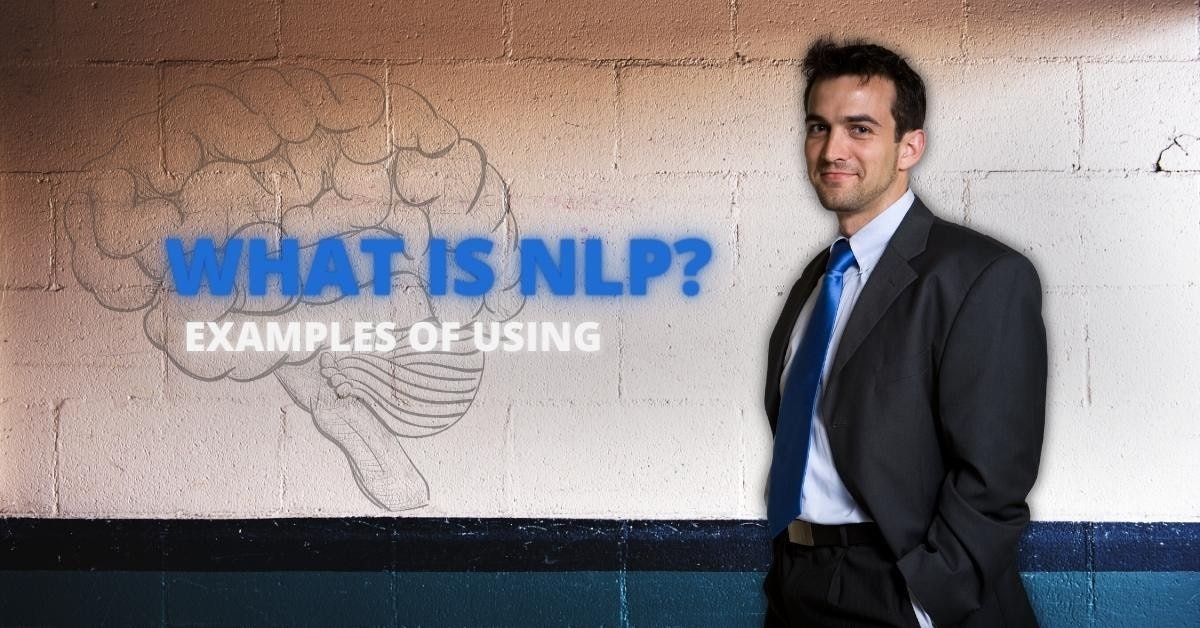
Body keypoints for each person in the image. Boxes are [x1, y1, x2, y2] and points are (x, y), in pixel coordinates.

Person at [762, 39, 1047, 627]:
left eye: (860, 128)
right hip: (799, 586)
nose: (832, 149)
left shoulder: (980, 275)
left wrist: (923, 603)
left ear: (909, 146)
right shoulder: (817, 281)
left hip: (902, 593)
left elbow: (995, 477)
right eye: (819, 126)